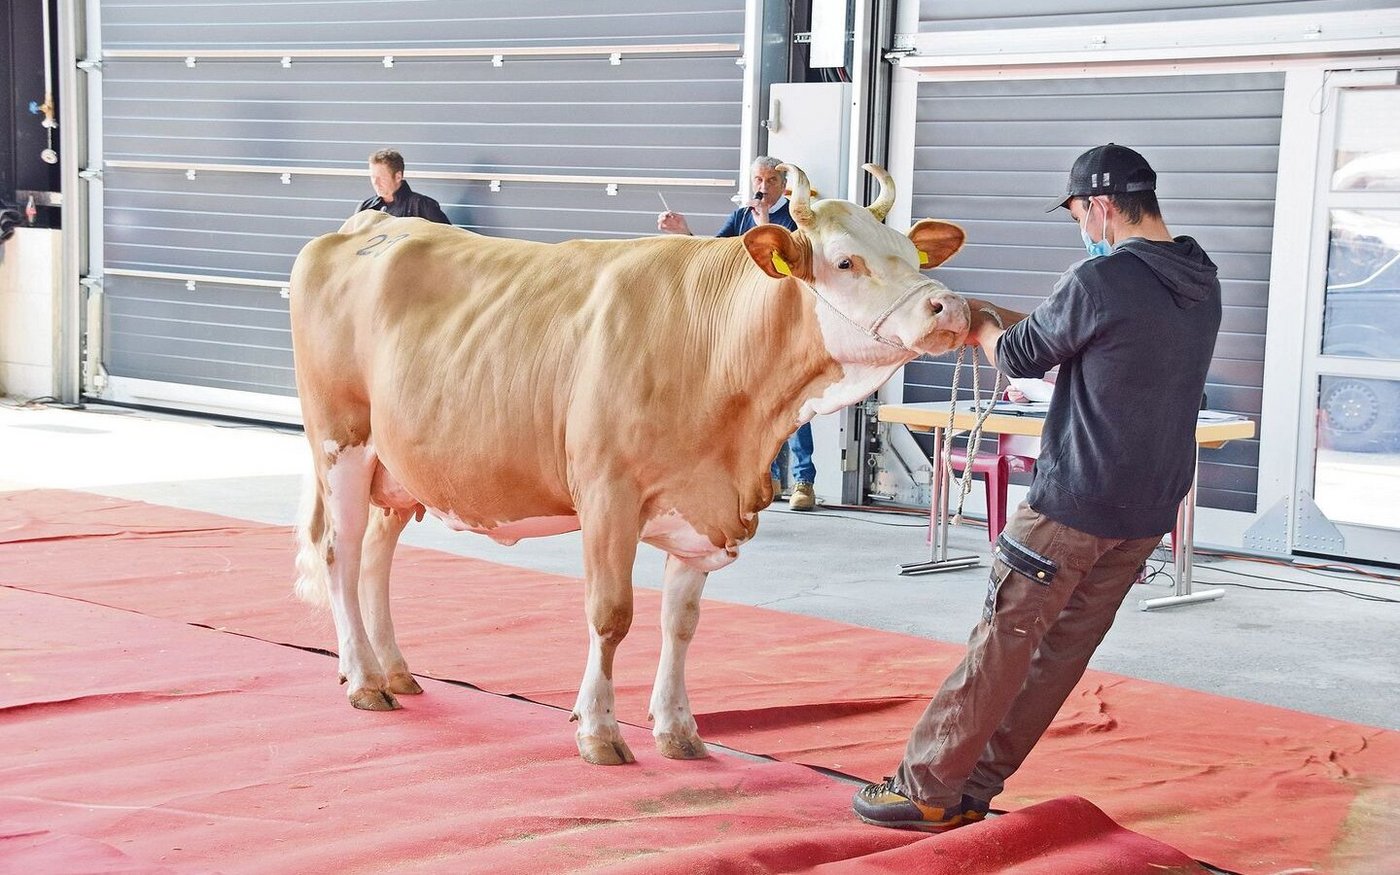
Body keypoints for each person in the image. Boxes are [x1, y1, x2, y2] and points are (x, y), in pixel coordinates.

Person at [853, 143, 1222, 832]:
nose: (1082, 228)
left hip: (1072, 503)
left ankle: (926, 787)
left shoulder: (1100, 279)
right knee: (1059, 656)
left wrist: (978, 323)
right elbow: (1094, 340)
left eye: (1079, 215)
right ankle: (974, 787)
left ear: (1101, 207)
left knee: (1003, 640)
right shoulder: (1201, 279)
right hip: (1147, 509)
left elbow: (1021, 355)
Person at [658, 156, 816, 511]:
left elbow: (792, 265)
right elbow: (715, 255)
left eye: (769, 181)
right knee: (759, 400)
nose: (761, 187)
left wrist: (764, 225)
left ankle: (804, 480)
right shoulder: (741, 216)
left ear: (782, 186)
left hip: (788, 321)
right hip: (751, 321)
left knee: (795, 401)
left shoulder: (796, 219)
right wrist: (684, 231)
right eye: (757, 180)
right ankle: (767, 478)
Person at [357, 149, 451, 224]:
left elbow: (450, 238)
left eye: (382, 178)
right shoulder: (365, 207)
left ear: (398, 176)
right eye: (373, 177)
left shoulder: (423, 206)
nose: (375, 183)